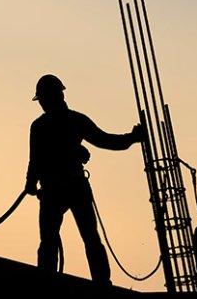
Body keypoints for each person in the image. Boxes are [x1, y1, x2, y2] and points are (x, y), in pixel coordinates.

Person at [24, 74, 143, 284]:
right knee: (87, 238)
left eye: (43, 99)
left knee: (53, 241)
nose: (42, 103)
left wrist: (31, 185)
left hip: (57, 188)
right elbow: (104, 140)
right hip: (71, 186)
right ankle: (101, 283)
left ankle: (45, 283)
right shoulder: (73, 120)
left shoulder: (41, 126)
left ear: (51, 97)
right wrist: (131, 139)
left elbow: (36, 160)